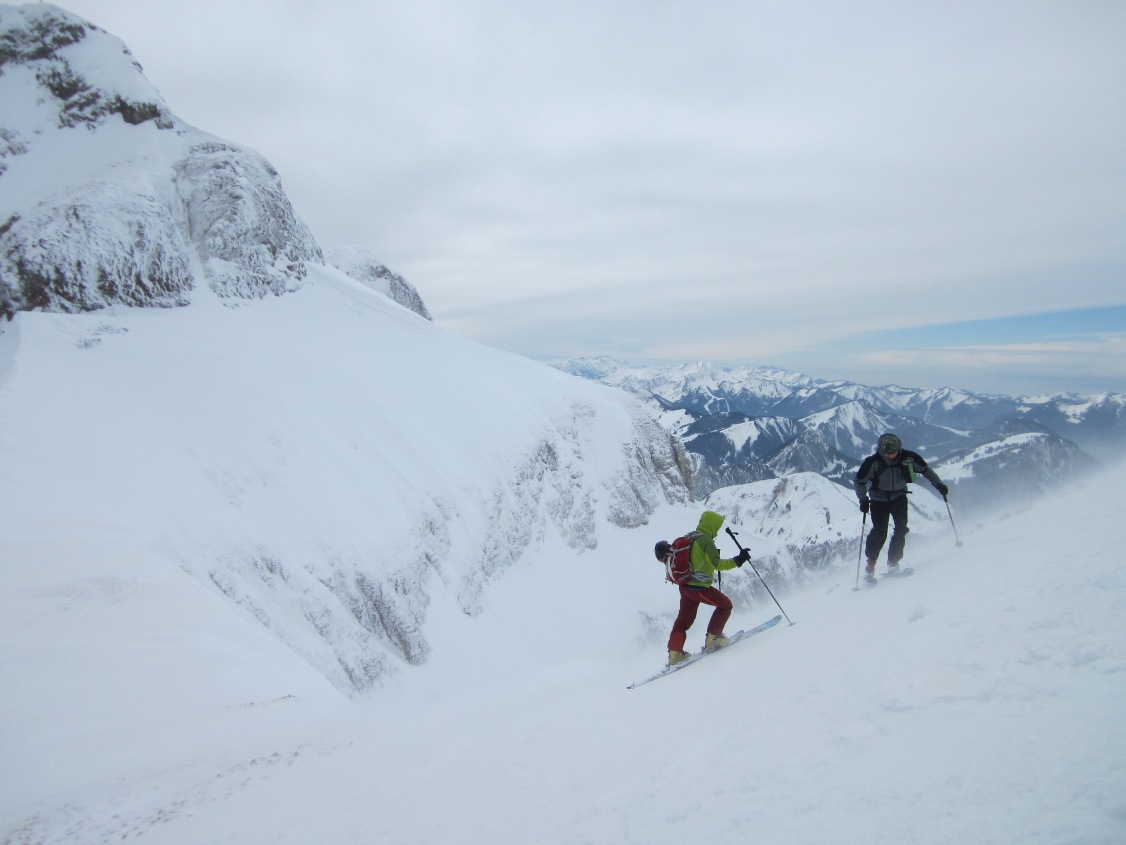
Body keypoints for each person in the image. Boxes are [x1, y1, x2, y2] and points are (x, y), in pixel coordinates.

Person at [854, 432, 949, 582]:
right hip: (879, 500)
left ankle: (893, 562)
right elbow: (859, 482)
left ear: (898, 448)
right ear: (881, 450)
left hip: (899, 497)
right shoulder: (873, 462)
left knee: (901, 529)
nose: (890, 455)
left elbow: (926, 470)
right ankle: (870, 566)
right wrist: (863, 499)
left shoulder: (908, 458)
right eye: (887, 453)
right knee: (880, 532)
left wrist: (939, 485)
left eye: (893, 452)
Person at [660, 510, 750, 666]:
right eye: (717, 526)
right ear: (713, 525)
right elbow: (718, 564)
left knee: (683, 621)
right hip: (698, 588)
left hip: (685, 586)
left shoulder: (691, 536)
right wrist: (739, 560)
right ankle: (713, 639)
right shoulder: (706, 541)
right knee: (725, 606)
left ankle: (674, 654)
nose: (717, 531)